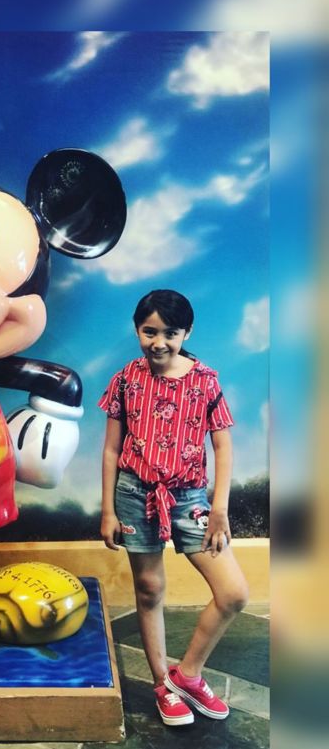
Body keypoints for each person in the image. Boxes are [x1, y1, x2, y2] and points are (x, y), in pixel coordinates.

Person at [99, 289, 249, 726]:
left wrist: (219, 508)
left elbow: (223, 446)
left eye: (171, 333)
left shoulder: (205, 381)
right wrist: (108, 511)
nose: (159, 342)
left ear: (187, 333)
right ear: (137, 329)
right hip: (134, 494)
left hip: (190, 499)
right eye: (150, 331)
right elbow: (111, 451)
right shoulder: (125, 379)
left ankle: (188, 675)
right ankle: (163, 685)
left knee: (233, 593)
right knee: (149, 589)